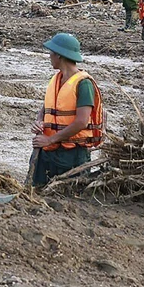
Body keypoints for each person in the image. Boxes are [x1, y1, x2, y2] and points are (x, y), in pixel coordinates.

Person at [31, 33, 104, 187]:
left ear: (59, 55)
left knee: (69, 196)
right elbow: (45, 109)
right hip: (48, 152)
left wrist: (50, 139)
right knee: (37, 191)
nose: (49, 55)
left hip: (72, 156)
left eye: (51, 52)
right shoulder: (57, 79)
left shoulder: (84, 84)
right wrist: (39, 121)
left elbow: (81, 122)